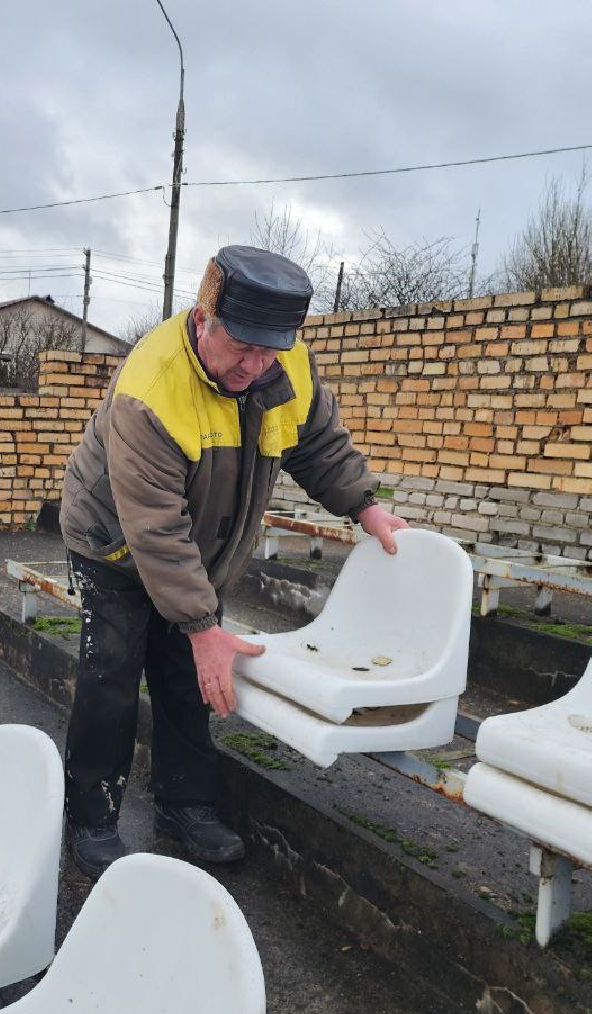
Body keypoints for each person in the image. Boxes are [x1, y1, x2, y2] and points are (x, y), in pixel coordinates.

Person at [57, 244, 407, 878]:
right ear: (202, 319)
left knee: (190, 681)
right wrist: (201, 626)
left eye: (269, 349)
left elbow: (319, 442)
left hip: (202, 548)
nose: (254, 365)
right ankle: (91, 815)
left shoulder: (284, 365)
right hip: (113, 542)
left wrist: (366, 507)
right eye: (241, 347)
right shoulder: (152, 389)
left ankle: (185, 806)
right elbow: (156, 529)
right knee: (111, 673)